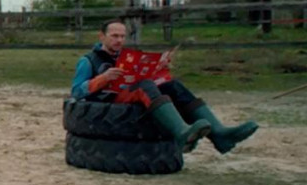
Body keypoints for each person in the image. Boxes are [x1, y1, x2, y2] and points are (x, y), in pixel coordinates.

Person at [71, 19, 258, 153]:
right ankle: (181, 132)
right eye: (114, 36)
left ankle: (219, 134)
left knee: (172, 85)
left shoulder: (126, 56)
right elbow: (77, 91)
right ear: (102, 36)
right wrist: (102, 79)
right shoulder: (88, 61)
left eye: (122, 36)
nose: (119, 40)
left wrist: (159, 69)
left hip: (135, 92)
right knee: (144, 86)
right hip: (110, 99)